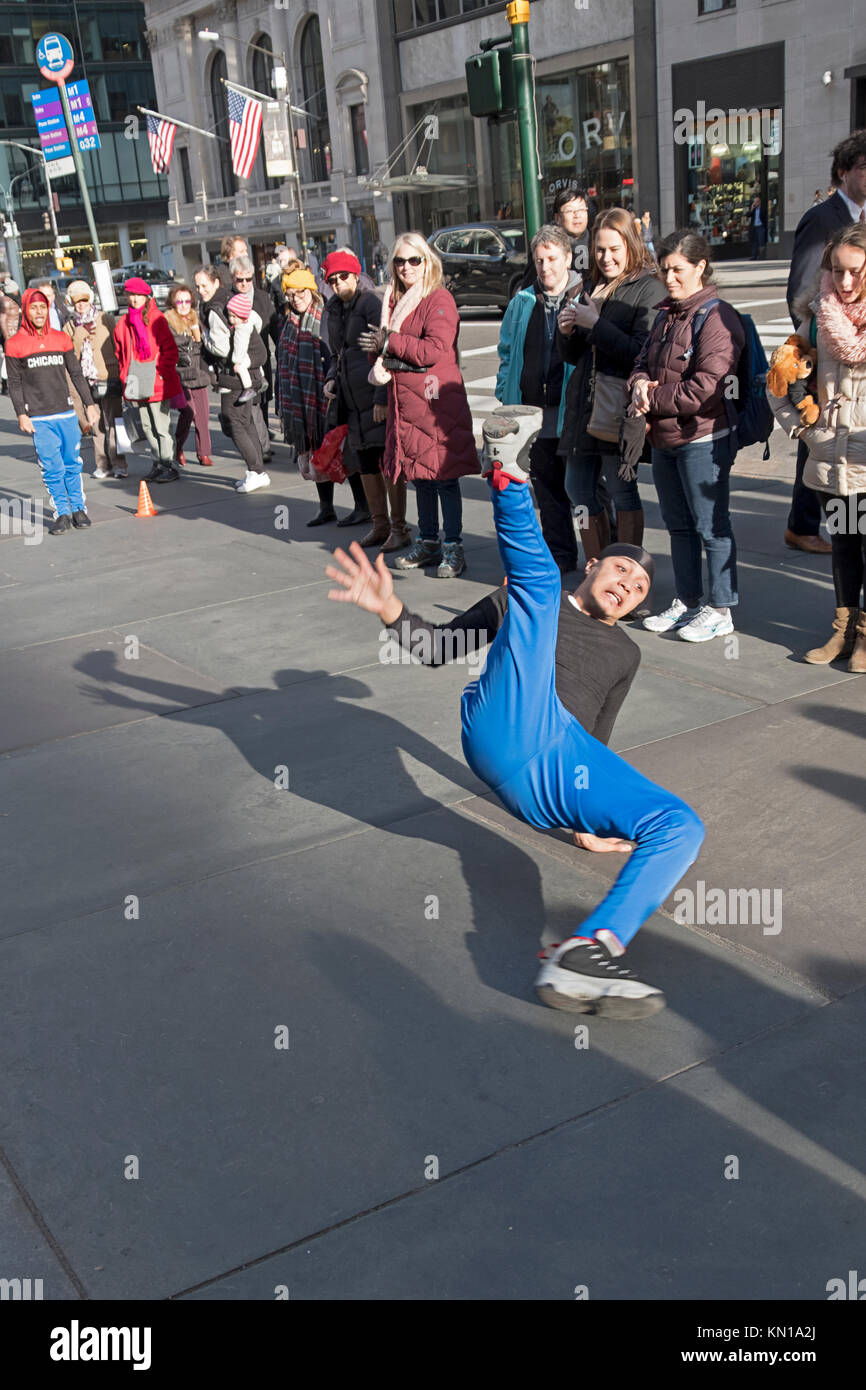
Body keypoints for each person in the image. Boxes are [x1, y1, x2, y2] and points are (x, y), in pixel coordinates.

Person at [325, 446, 705, 1018]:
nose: (629, 584)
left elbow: (596, 739)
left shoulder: (624, 652)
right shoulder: (527, 598)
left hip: (559, 761)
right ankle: (507, 472)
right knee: (538, 588)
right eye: (623, 568)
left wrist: (588, 822)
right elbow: (436, 650)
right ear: (595, 565)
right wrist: (390, 611)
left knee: (680, 826)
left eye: (641, 590)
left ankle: (590, 950)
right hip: (508, 718)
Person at [628, 230, 744, 643]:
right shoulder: (665, 315)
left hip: (704, 438)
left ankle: (720, 608)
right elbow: (642, 360)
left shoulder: (717, 317)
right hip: (666, 438)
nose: (670, 278)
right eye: (665, 270)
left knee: (712, 526)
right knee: (678, 526)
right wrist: (640, 382)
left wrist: (651, 396)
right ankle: (688, 600)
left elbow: (707, 387)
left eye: (679, 270)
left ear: (700, 267)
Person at [769, 223, 866, 672]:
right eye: (837, 271)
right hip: (830, 460)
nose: (844, 283)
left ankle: (865, 634)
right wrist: (804, 431)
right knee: (845, 544)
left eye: (855, 272)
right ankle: (842, 629)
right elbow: (777, 382)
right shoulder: (816, 316)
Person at [358, 232, 480, 579]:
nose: (406, 266)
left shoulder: (438, 297)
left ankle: (453, 547)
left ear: (428, 262)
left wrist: (390, 342)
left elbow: (434, 350)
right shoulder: (394, 300)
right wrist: (378, 347)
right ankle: (428, 542)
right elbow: (389, 350)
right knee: (421, 478)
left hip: (436, 402)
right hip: (408, 404)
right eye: (399, 260)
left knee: (444, 478)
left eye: (414, 260)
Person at [558, 207, 665, 560]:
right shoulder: (591, 285)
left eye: (614, 249)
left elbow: (641, 351)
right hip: (583, 406)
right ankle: (596, 565)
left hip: (617, 406)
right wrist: (567, 332)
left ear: (631, 245)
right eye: (600, 249)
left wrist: (596, 323)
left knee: (622, 490)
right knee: (576, 488)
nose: (606, 257)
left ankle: (626, 567)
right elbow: (576, 354)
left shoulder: (647, 288)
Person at [784, 130, 866, 554]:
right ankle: (802, 525)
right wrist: (814, 347)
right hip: (827, 358)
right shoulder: (824, 218)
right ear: (843, 172)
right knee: (818, 442)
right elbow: (802, 291)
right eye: (864, 167)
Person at [497, 223, 583, 574]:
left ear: (567, 258)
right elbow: (507, 351)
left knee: (582, 492)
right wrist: (506, 395)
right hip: (535, 414)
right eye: (539, 260)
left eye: (552, 259)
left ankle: (597, 551)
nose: (545, 267)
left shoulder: (584, 296)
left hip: (573, 412)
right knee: (547, 491)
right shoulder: (523, 300)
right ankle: (562, 556)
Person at [322, 249, 410, 552]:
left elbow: (385, 350)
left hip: (372, 393)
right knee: (365, 463)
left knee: (386, 462)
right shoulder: (334, 308)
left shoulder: (370, 301)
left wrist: (380, 395)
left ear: (355, 274)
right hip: (350, 396)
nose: (337, 283)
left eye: (343, 276)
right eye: (332, 279)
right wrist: (332, 377)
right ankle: (380, 524)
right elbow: (338, 352)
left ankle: (398, 527)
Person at [4, 287, 100, 534]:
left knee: (72, 464)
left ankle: (79, 509)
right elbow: (14, 383)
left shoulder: (61, 338)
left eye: (43, 307)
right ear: (26, 310)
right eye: (34, 307)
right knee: (52, 467)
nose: (39, 312)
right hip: (39, 417)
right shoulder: (15, 344)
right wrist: (21, 414)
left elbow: (76, 374)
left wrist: (89, 404)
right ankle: (62, 512)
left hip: (66, 414)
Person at [277, 266, 367, 524]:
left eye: (300, 292)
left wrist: (333, 385)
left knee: (342, 452)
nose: (296, 299)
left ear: (312, 291)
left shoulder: (325, 316)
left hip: (329, 397)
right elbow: (282, 362)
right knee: (315, 450)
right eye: (291, 295)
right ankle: (325, 506)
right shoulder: (288, 323)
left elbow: (336, 353)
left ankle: (363, 505)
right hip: (304, 405)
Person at [113, 276, 184, 484]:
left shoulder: (156, 318)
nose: (134, 299)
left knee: (161, 426)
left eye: (138, 295)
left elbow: (170, 349)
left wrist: (161, 371)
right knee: (146, 425)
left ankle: (168, 463)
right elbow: (120, 353)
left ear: (146, 296)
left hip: (156, 380)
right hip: (137, 380)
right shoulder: (124, 323)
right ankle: (157, 462)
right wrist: (125, 375)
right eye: (131, 295)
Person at [63, 280, 127, 479]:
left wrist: (119, 370)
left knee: (115, 421)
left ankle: (119, 463)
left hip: (108, 376)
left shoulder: (104, 318)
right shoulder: (70, 326)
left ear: (90, 299)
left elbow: (117, 344)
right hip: (85, 381)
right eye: (77, 301)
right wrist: (78, 338)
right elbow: (68, 355)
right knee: (96, 423)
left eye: (84, 300)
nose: (81, 304)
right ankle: (102, 464)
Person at [218, 294, 269, 492]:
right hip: (251, 377)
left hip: (239, 379)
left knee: (236, 424)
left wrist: (239, 362)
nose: (231, 319)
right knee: (246, 423)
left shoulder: (241, 329)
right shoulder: (247, 325)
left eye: (233, 315)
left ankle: (255, 471)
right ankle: (258, 471)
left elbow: (239, 352)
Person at [164, 283, 214, 467]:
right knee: (188, 413)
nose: (184, 305)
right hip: (181, 374)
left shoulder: (196, 319)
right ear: (173, 303)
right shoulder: (168, 321)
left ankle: (204, 453)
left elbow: (205, 343)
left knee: (203, 415)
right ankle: (178, 447)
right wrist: (191, 338)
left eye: (187, 301)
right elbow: (175, 344)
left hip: (198, 372)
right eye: (179, 301)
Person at [519, 187, 596, 289]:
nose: (577, 215)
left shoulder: (597, 242)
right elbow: (530, 286)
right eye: (570, 211)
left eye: (581, 209)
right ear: (557, 218)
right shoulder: (546, 246)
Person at [0, 277, 21, 395]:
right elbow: (3, 321)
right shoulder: (10, 302)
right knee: (10, 360)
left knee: (10, 360)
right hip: (12, 336)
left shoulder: (6, 301)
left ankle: (6, 384)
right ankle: (6, 384)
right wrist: (8, 336)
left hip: (10, 336)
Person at [748, 195, 767, 261]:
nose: (755, 203)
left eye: (757, 202)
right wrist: (751, 208)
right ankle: (754, 256)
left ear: (759, 202)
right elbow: (748, 215)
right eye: (754, 202)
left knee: (761, 242)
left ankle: (761, 256)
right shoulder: (754, 210)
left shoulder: (763, 209)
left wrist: (765, 227)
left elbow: (765, 218)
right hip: (754, 227)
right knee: (755, 242)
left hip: (760, 227)